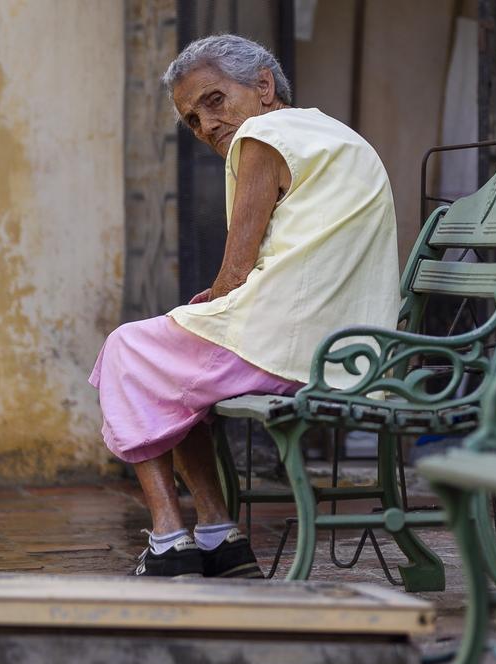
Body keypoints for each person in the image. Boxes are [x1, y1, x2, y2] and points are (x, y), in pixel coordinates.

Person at [90, 34, 400, 578]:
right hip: (353, 351)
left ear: (263, 85)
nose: (206, 125)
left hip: (292, 346)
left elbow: (237, 271)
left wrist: (208, 305)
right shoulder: (336, 134)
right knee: (172, 368)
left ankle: (170, 536)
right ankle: (215, 533)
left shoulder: (261, 132)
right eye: (192, 119)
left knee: (128, 351)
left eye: (213, 100)